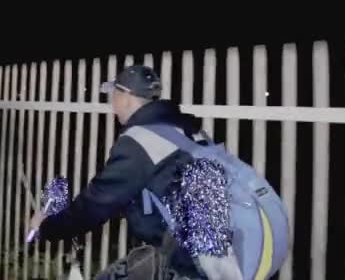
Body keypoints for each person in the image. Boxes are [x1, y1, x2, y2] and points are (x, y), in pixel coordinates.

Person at [30, 65, 229, 279]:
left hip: (182, 262)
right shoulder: (188, 130)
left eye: (113, 95)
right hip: (212, 253)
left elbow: (96, 204)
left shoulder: (140, 142)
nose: (112, 104)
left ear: (125, 96)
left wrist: (47, 226)